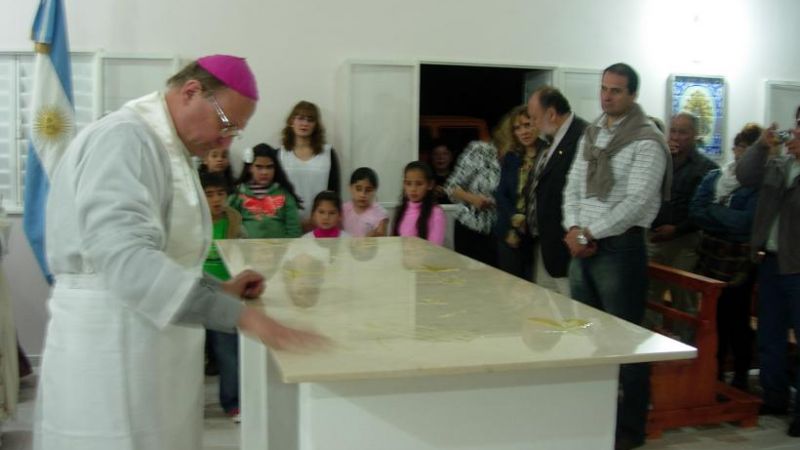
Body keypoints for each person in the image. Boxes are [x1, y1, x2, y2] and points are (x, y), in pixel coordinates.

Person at [36, 55, 326, 450]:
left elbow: (168, 253)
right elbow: (127, 260)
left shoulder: (168, 147)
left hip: (152, 344)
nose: (225, 142)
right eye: (225, 126)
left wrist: (219, 288)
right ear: (192, 92)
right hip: (109, 342)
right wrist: (244, 319)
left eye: (234, 133)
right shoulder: (124, 138)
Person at [562, 63, 670, 450]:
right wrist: (573, 228)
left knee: (624, 343)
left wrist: (591, 232)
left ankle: (629, 429)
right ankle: (594, 419)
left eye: (617, 91)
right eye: (604, 89)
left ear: (633, 95)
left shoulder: (646, 140)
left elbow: (637, 201)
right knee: (588, 339)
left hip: (619, 249)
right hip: (583, 246)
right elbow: (573, 184)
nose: (607, 96)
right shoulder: (593, 133)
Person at [736, 106, 800, 437]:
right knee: (769, 334)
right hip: (771, 260)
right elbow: (744, 176)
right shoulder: (780, 161)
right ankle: (774, 397)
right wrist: (761, 145)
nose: (795, 132)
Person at [689, 123, 762, 391]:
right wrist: (720, 217)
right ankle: (713, 371)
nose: (740, 153)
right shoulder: (715, 176)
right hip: (711, 256)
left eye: (747, 149)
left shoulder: (757, 186)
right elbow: (696, 211)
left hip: (738, 261)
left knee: (735, 319)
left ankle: (739, 374)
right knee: (712, 318)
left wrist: (714, 211)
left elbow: (745, 223)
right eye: (738, 147)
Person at [648, 113, 718, 319]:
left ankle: (686, 345)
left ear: (695, 135)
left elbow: (704, 211)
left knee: (683, 298)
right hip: (653, 238)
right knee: (649, 297)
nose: (676, 137)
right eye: (674, 131)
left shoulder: (707, 168)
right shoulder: (660, 160)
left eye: (683, 132)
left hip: (684, 241)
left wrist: (677, 229)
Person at [525, 86, 588, 296]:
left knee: (572, 314)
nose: (532, 124)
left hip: (569, 243)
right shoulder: (554, 140)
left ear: (551, 114)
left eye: (534, 118)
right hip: (549, 242)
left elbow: (581, 192)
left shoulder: (582, 137)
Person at [200, 171, 245, 422]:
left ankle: (233, 403)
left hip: (225, 294)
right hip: (196, 293)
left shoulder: (234, 219)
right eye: (209, 194)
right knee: (192, 353)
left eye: (220, 194)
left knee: (228, 351)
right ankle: (190, 404)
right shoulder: (193, 220)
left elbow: (244, 249)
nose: (216, 200)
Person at [493, 105, 544, 279]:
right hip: (509, 230)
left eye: (527, 125)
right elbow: (501, 194)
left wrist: (526, 222)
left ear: (538, 124)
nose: (523, 131)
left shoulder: (548, 153)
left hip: (536, 233)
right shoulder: (512, 156)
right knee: (509, 289)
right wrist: (513, 220)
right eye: (517, 128)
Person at [278, 100, 341, 230]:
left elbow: (334, 192)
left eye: (310, 120)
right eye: (300, 118)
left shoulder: (328, 153)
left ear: (316, 125)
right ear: (291, 121)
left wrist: (315, 220)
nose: (305, 123)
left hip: (321, 224)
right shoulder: (280, 154)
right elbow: (277, 193)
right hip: (288, 224)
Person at [444, 136, 500, 265]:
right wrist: (473, 198)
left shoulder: (521, 155)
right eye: (516, 128)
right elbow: (451, 187)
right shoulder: (480, 150)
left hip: (502, 231)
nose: (522, 132)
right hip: (470, 226)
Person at [229, 143, 303, 239]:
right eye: (259, 167)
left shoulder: (284, 194)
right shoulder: (238, 193)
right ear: (250, 168)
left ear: (275, 168)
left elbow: (294, 228)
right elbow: (230, 222)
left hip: (279, 250)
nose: (264, 172)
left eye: (269, 167)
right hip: (247, 250)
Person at [393, 161, 446, 245]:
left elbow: (435, 248)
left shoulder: (436, 213)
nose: (413, 189)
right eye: (408, 183)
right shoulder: (401, 209)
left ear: (430, 185)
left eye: (419, 184)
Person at [342, 167, 389, 237]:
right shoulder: (342, 209)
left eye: (368, 190)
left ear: (375, 190)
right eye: (358, 189)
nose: (362, 194)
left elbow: (381, 241)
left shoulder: (380, 214)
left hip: (369, 248)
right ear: (350, 188)